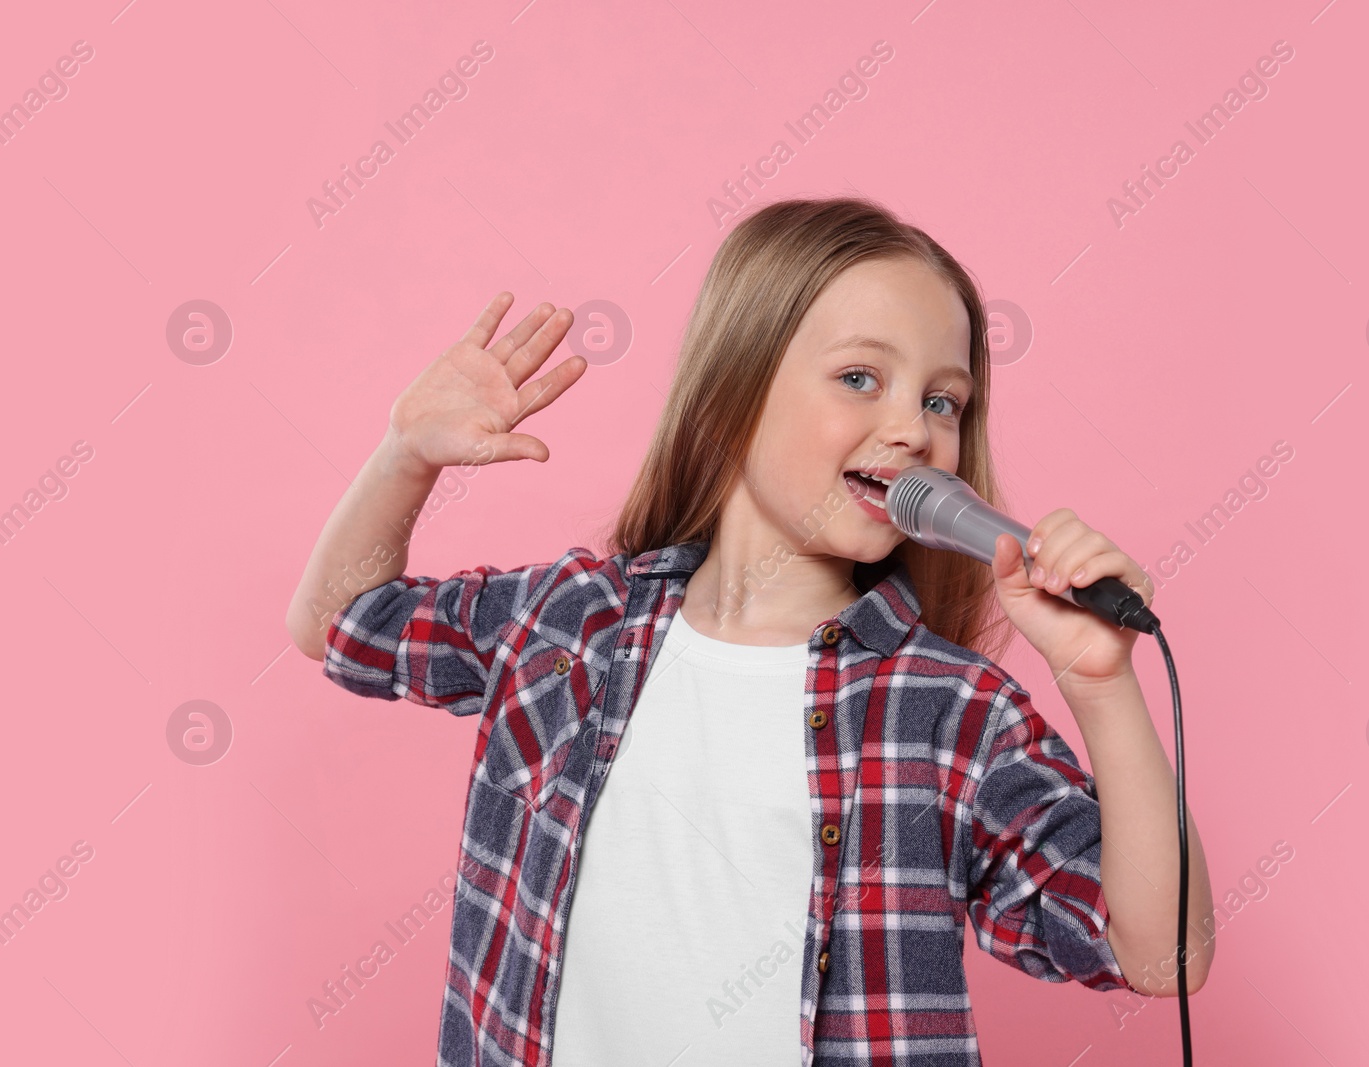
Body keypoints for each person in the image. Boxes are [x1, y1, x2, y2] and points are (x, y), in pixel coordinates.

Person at [286, 196, 1214, 1067]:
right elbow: (339, 625)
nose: (914, 429)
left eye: (943, 400)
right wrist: (405, 456)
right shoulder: (567, 625)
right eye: (860, 377)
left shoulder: (947, 708)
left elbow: (1165, 956)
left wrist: (1103, 686)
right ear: (734, 392)